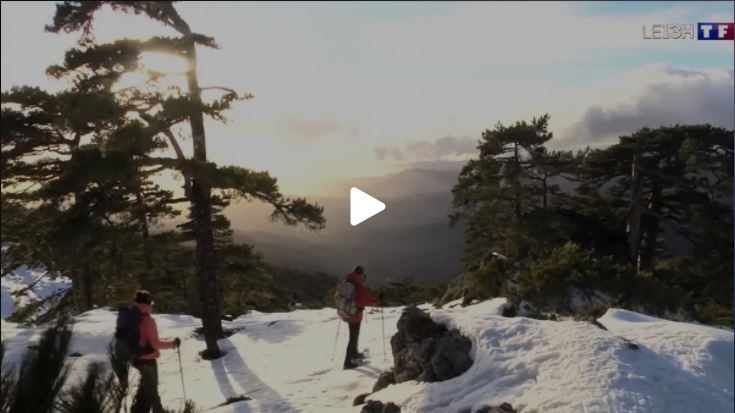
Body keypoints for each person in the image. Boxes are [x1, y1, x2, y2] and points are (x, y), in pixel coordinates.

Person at [131, 290, 181, 413]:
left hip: (134, 357)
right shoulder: (148, 320)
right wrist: (173, 344)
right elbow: (155, 343)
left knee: (145, 390)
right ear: (148, 303)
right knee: (151, 390)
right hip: (147, 359)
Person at [342, 265, 379, 369]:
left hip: (347, 313)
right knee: (353, 337)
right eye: (363, 275)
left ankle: (354, 354)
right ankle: (348, 363)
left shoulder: (346, 282)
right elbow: (366, 300)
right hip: (355, 315)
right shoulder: (358, 285)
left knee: (354, 335)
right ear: (361, 274)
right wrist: (377, 301)